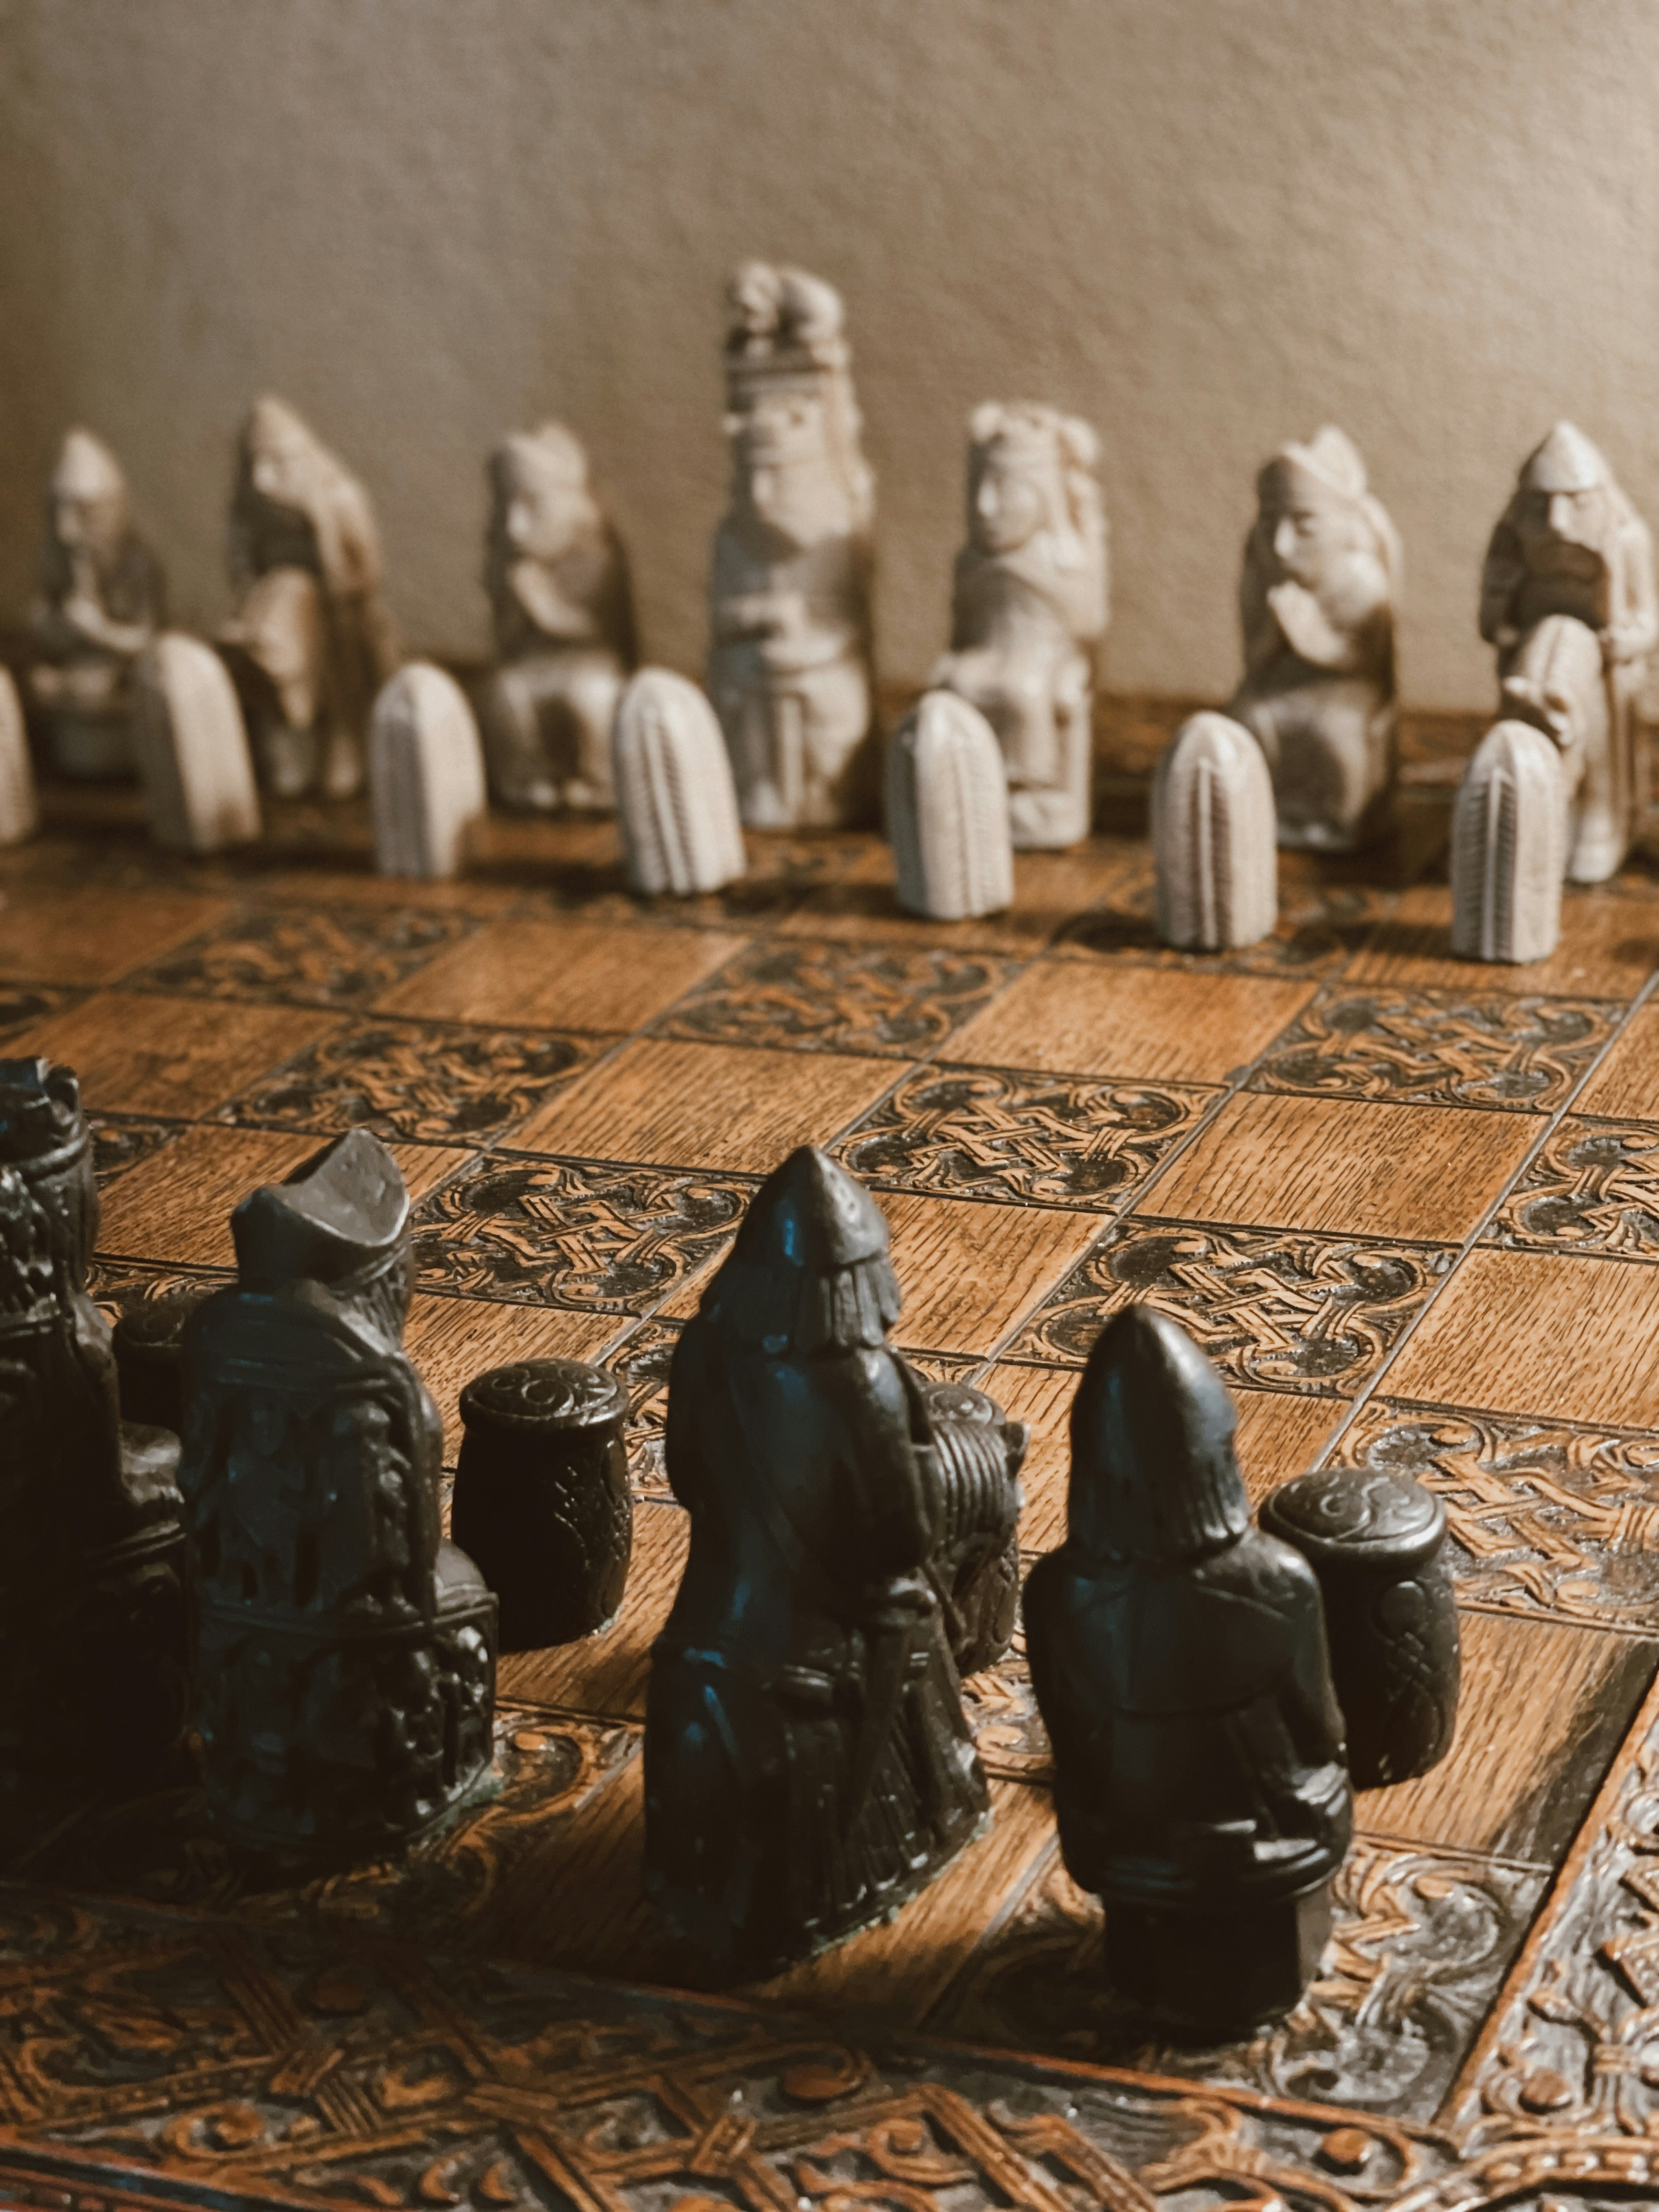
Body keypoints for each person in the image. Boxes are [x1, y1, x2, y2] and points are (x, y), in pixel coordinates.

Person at [644, 1146, 987, 1979]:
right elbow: (901, 1540)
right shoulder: (867, 1379)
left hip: (708, 1618)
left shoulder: (701, 1347)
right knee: (916, 1612)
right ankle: (934, 1809)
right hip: (829, 1650)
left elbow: (689, 1479)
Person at [1025, 1305, 1351, 2033]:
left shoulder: (1054, 1588)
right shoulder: (1279, 1579)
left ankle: (1152, 1973)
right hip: (1267, 1810)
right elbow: (1318, 1723)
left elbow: (1068, 1732)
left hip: (1135, 1816)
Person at [1478, 421, 1657, 882]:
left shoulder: (1628, 539)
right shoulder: (1511, 541)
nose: (1557, 522)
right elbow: (1492, 621)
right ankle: (1539, 822)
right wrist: (1501, 609)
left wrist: (1627, 641)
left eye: (1575, 503)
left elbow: (1648, 618)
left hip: (1600, 673)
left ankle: (1600, 823)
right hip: (1531, 664)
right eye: (1540, 505)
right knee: (1532, 728)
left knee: (1594, 743)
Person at [934, 402, 1108, 849]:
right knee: (952, 689)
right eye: (979, 486)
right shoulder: (971, 561)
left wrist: (1029, 576)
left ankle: (1028, 790)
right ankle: (963, 788)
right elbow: (964, 621)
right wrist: (952, 656)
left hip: (1044, 656)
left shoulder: (1064, 558)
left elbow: (1087, 624)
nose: (986, 506)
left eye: (1007, 489)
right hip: (988, 651)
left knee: (1021, 692)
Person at [218, 396, 400, 800]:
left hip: (337, 617)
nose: (263, 479)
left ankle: (345, 742)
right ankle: (286, 744)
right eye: (253, 464)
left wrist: (321, 524)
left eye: (277, 462)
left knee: (340, 664)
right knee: (267, 652)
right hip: (278, 613)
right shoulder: (248, 508)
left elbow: (363, 575)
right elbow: (242, 570)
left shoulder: (341, 499)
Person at [1231, 425, 1401, 852]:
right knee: (1249, 719)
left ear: (1345, 526)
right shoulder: (1260, 579)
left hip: (1344, 690)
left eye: (1304, 525)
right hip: (1282, 684)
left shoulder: (1360, 580)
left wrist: (1313, 638)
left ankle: (1340, 820)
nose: (1282, 544)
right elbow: (1255, 659)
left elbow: (1368, 661)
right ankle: (1265, 813)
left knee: (1337, 733)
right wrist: (1274, 632)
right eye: (1269, 523)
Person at [476, 423, 636, 812]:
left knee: (591, 695)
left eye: (533, 505)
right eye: (504, 505)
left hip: (587, 661)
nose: (514, 526)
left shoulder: (596, 556)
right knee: (502, 693)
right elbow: (506, 639)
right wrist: (515, 604)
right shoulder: (506, 564)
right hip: (533, 663)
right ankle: (527, 779)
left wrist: (542, 605)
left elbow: (601, 629)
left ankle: (598, 780)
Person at [26, 430, 166, 778]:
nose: (67, 531)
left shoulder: (138, 564)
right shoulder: (57, 558)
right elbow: (49, 638)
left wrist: (98, 630)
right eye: (58, 512)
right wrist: (54, 626)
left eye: (84, 514)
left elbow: (148, 641)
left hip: (122, 681)